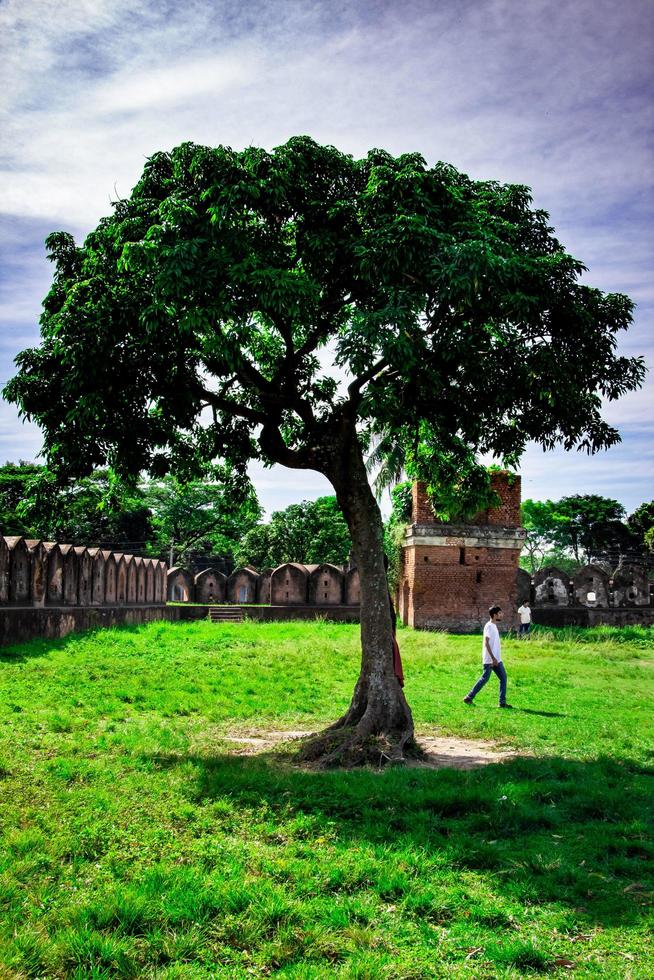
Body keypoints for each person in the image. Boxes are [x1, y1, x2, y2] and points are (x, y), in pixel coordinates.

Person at [463, 604, 510, 708]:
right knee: (485, 678)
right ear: (494, 615)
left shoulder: (494, 626)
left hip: (497, 659)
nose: (502, 615)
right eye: (500, 613)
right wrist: (493, 658)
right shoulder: (489, 626)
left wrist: (496, 658)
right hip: (491, 660)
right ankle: (469, 697)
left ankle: (502, 702)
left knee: (503, 678)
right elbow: (486, 643)